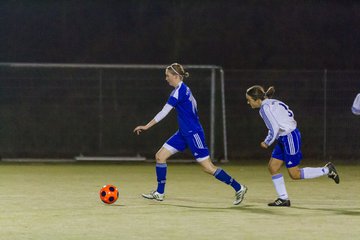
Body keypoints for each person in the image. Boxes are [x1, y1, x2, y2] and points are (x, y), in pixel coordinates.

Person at [133, 63, 247, 205]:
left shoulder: (178, 92)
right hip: (183, 133)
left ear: (176, 76)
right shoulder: (185, 89)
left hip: (194, 134)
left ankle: (239, 187)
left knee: (207, 167)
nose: (166, 79)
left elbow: (164, 112)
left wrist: (146, 126)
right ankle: (159, 193)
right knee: (160, 156)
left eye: (168, 76)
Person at [245, 85, 340, 207]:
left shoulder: (264, 109)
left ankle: (327, 170)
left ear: (257, 99)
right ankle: (283, 199)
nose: (248, 102)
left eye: (249, 100)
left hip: (289, 137)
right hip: (283, 137)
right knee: (273, 167)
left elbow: (274, 128)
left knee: (294, 174)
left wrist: (267, 142)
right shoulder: (272, 102)